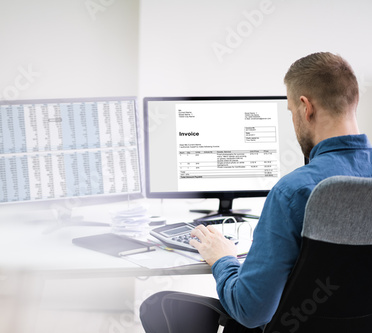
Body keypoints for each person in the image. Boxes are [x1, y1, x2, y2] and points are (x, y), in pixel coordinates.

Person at [139, 52, 372, 332]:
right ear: (354, 101)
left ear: (305, 107)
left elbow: (251, 311)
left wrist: (223, 258)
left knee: (157, 303)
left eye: (290, 111)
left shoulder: (293, 192)